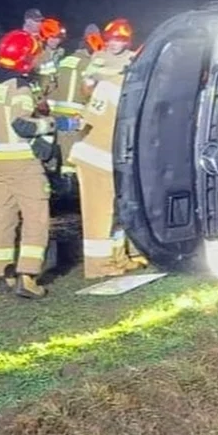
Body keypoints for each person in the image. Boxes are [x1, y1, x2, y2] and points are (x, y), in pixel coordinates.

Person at [0, 30, 55, 298]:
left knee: (3, 216)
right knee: (36, 218)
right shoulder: (19, 86)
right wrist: (53, 124)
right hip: (22, 162)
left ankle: (2, 270)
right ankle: (28, 276)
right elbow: (21, 124)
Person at [72, 17, 144, 278]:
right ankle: (97, 266)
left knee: (114, 210)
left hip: (111, 156)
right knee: (98, 215)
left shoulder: (127, 69)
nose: (115, 44)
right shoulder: (102, 66)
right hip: (98, 156)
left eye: (120, 40)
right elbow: (88, 98)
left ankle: (118, 258)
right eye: (112, 39)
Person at [51, 23, 103, 190]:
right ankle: (70, 189)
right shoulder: (91, 64)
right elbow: (92, 92)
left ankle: (61, 183)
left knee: (61, 151)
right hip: (77, 113)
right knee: (75, 152)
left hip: (57, 113)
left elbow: (52, 86)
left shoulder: (66, 60)